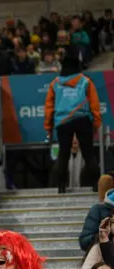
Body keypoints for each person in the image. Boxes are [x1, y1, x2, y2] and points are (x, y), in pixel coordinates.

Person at [44, 44, 101, 193]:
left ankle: (61, 187)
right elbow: (94, 104)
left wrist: (48, 127)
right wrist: (96, 123)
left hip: (63, 122)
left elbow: (49, 108)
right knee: (88, 153)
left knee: (63, 153)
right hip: (82, 119)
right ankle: (96, 185)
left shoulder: (55, 83)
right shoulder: (86, 81)